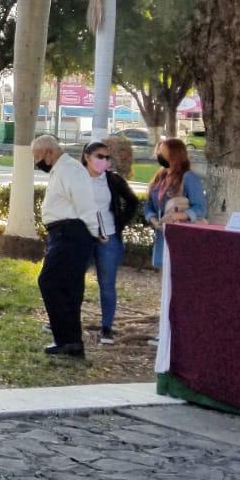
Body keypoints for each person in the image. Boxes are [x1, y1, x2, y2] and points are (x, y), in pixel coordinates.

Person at [34, 134, 102, 357]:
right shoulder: (61, 170)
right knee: (69, 288)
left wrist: (96, 232)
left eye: (39, 157)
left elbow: (85, 204)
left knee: (49, 281)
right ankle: (71, 342)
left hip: (71, 233)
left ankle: (66, 339)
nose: (37, 163)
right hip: (64, 233)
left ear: (50, 152)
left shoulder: (70, 170)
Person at [82, 141, 140, 345]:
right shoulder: (76, 178)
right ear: (87, 157)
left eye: (107, 158)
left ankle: (107, 328)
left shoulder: (113, 180)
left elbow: (132, 201)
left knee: (107, 284)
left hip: (109, 238)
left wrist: (119, 223)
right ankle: (63, 321)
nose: (104, 161)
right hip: (83, 237)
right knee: (73, 279)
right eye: (100, 156)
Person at [144, 137, 206, 269]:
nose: (159, 155)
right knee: (164, 281)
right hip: (162, 235)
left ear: (175, 155)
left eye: (162, 152)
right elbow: (148, 204)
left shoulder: (189, 178)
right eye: (159, 152)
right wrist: (153, 218)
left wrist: (176, 216)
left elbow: (200, 208)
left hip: (182, 238)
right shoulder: (159, 177)